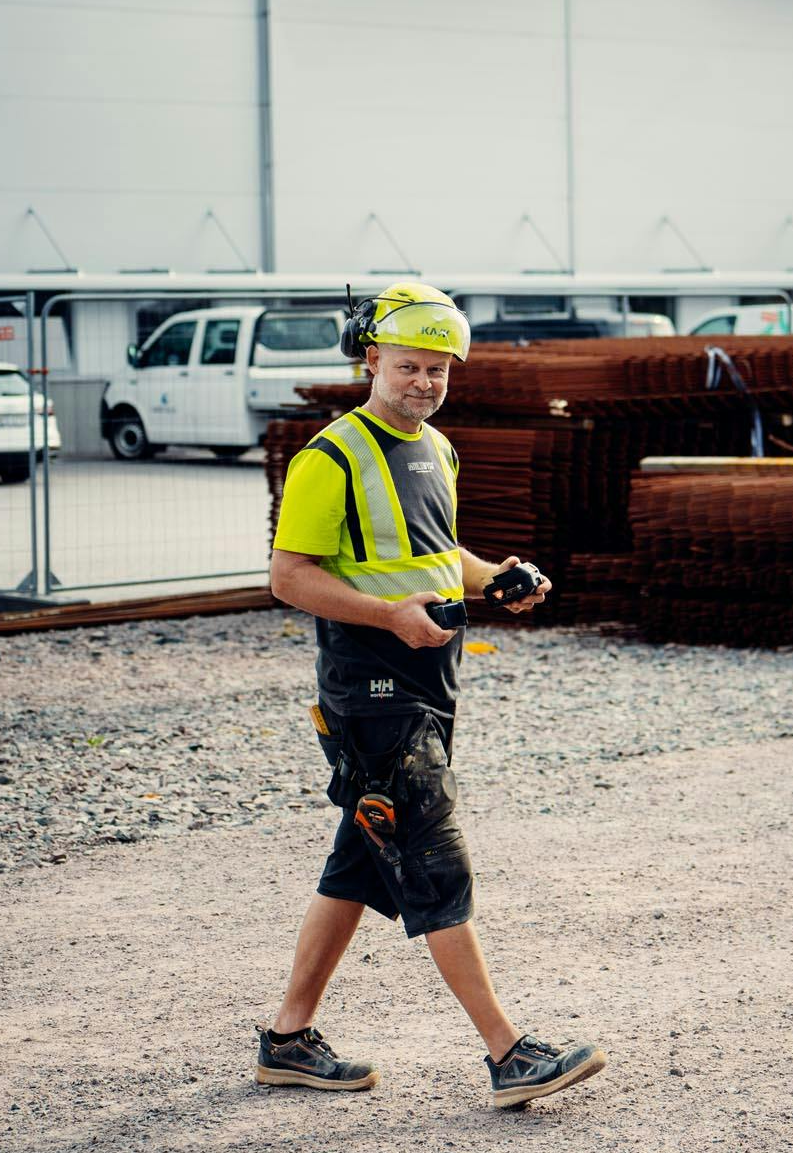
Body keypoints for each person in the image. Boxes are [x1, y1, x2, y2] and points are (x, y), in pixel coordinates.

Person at [258, 282, 606, 1109]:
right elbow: (287, 578)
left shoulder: (435, 449)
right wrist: (387, 615)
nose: (423, 382)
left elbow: (436, 553)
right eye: (409, 366)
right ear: (370, 358)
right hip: (369, 686)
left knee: (359, 864)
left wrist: (499, 578)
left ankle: (286, 1040)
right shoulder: (329, 457)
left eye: (437, 370)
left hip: (430, 678)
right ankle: (508, 1051)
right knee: (430, 855)